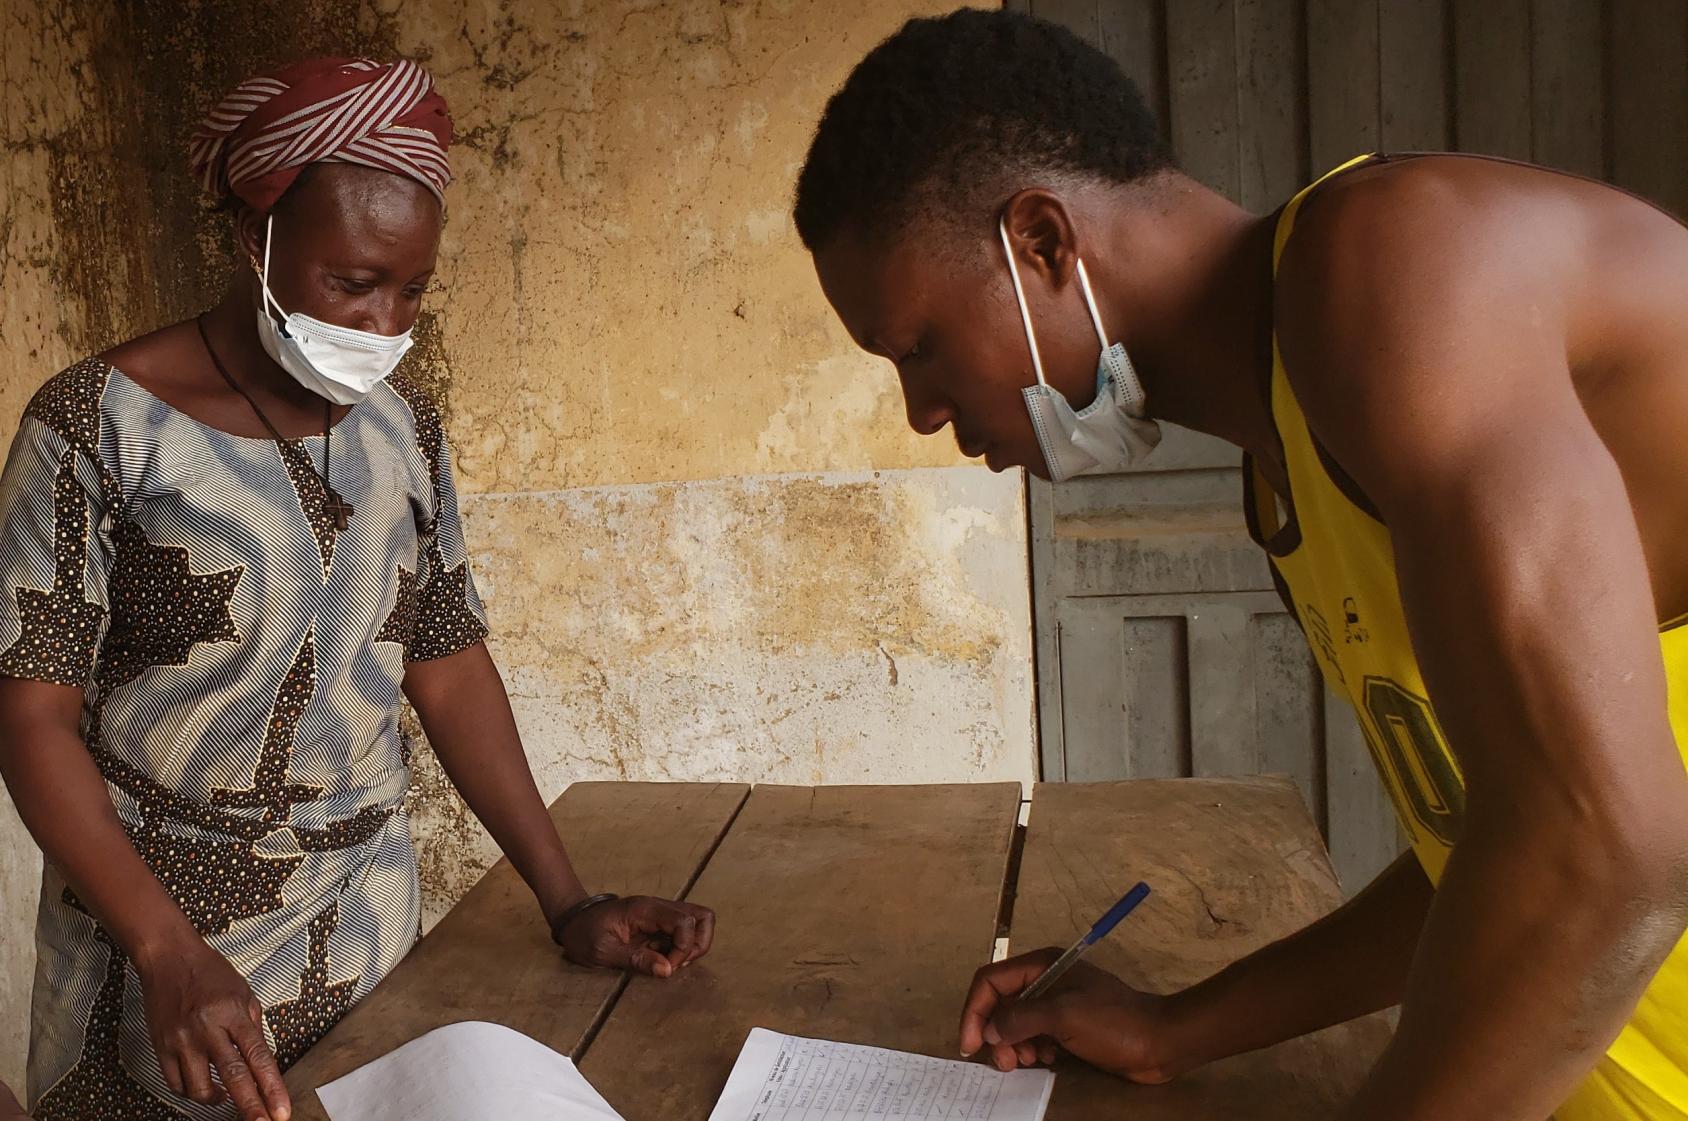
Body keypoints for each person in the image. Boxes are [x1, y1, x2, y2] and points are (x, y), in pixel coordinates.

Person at [793, 10, 1688, 1121]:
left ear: (1041, 242)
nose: (922, 411)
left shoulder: (1397, 269)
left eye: (916, 347)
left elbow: (1605, 852)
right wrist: (1176, 1027)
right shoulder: (1284, 465)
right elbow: (1490, 843)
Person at [0, 58, 714, 1121]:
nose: (384, 321)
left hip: (365, 927)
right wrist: (164, 951)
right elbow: (30, 715)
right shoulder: (96, 426)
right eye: (351, 282)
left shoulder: (405, 433)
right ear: (257, 240)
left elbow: (449, 662)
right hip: (164, 959)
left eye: (411, 288)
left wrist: (568, 899)